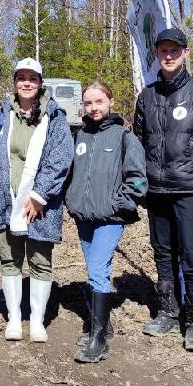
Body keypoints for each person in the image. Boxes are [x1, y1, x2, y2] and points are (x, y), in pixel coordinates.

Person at [134, 27, 193, 352]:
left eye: (175, 50)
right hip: (156, 192)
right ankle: (168, 312)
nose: (169, 55)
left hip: (191, 192)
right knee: (162, 254)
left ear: (186, 53)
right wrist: (138, 184)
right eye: (163, 51)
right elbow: (138, 144)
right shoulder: (146, 96)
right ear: (157, 54)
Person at [0, 58, 74, 343]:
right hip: (7, 199)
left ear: (41, 83)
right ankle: (15, 319)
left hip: (42, 204)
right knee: (10, 259)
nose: (27, 83)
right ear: (15, 83)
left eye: (33, 78)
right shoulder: (3, 114)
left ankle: (38, 322)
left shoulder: (54, 117)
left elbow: (61, 159)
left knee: (40, 262)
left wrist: (40, 195)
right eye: (21, 78)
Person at [64, 81, 147, 363]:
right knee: (94, 268)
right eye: (88, 103)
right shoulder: (79, 136)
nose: (94, 107)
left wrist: (118, 204)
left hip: (110, 217)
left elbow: (137, 180)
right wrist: (71, 201)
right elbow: (69, 174)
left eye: (99, 101)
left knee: (98, 268)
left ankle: (98, 339)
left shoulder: (124, 137)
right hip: (83, 217)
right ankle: (104, 326)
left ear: (110, 101)